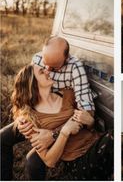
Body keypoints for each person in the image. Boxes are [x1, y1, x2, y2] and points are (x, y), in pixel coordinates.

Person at [0, 36, 95, 180]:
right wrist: (20, 118)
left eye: (54, 67)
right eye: (45, 65)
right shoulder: (38, 59)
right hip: (39, 112)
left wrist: (54, 134)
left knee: (33, 160)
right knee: (2, 137)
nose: (48, 70)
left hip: (61, 115)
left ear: (66, 58)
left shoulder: (75, 68)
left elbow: (85, 110)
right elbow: (27, 88)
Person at [10, 63, 113, 181]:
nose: (48, 72)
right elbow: (49, 161)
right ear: (33, 83)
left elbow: (87, 125)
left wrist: (90, 122)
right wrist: (64, 133)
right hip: (79, 161)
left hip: (97, 143)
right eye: (42, 72)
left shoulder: (67, 93)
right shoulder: (30, 118)